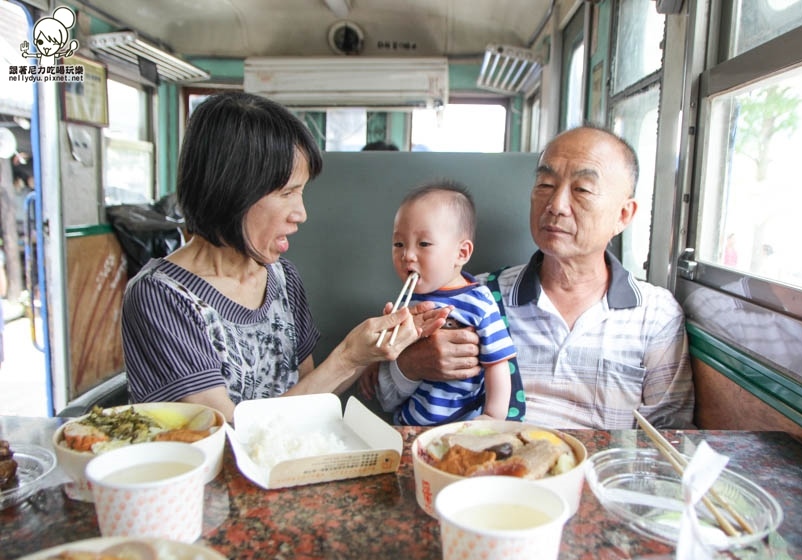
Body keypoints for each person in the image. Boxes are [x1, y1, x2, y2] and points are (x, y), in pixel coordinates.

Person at [121, 92, 448, 422]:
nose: (301, 214)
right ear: (232, 190)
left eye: (301, 192)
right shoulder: (159, 296)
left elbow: (308, 395)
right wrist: (348, 355)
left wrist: (370, 351)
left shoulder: (282, 278)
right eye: (287, 193)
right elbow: (226, 432)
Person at [369, 125, 695, 429]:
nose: (556, 205)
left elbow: (669, 436)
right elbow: (385, 397)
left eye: (582, 189)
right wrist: (411, 366)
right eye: (545, 185)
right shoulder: (473, 295)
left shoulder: (656, 315)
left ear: (623, 215)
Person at [381, 181, 517, 425]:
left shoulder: (479, 302)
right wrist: (374, 363)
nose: (407, 255)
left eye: (423, 244)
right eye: (399, 244)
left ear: (461, 253)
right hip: (410, 422)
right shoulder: (408, 300)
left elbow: (498, 362)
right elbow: (391, 351)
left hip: (462, 424)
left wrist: (493, 415)